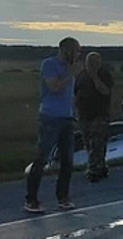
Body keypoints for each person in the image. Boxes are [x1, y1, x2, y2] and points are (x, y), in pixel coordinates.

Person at [25, 37, 81, 213]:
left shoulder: (69, 70)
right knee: (42, 157)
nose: (77, 55)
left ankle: (63, 196)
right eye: (75, 51)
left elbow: (69, 94)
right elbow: (55, 87)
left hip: (66, 118)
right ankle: (31, 199)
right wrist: (71, 72)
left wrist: (74, 112)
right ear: (65, 50)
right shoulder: (49, 64)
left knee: (67, 160)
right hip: (50, 117)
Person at [75, 52, 114, 183]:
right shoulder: (81, 76)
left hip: (99, 114)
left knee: (97, 142)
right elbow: (75, 93)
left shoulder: (104, 75)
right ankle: (101, 167)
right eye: (89, 62)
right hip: (84, 115)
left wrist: (95, 77)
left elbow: (105, 91)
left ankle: (92, 169)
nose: (92, 65)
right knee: (88, 143)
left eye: (94, 62)